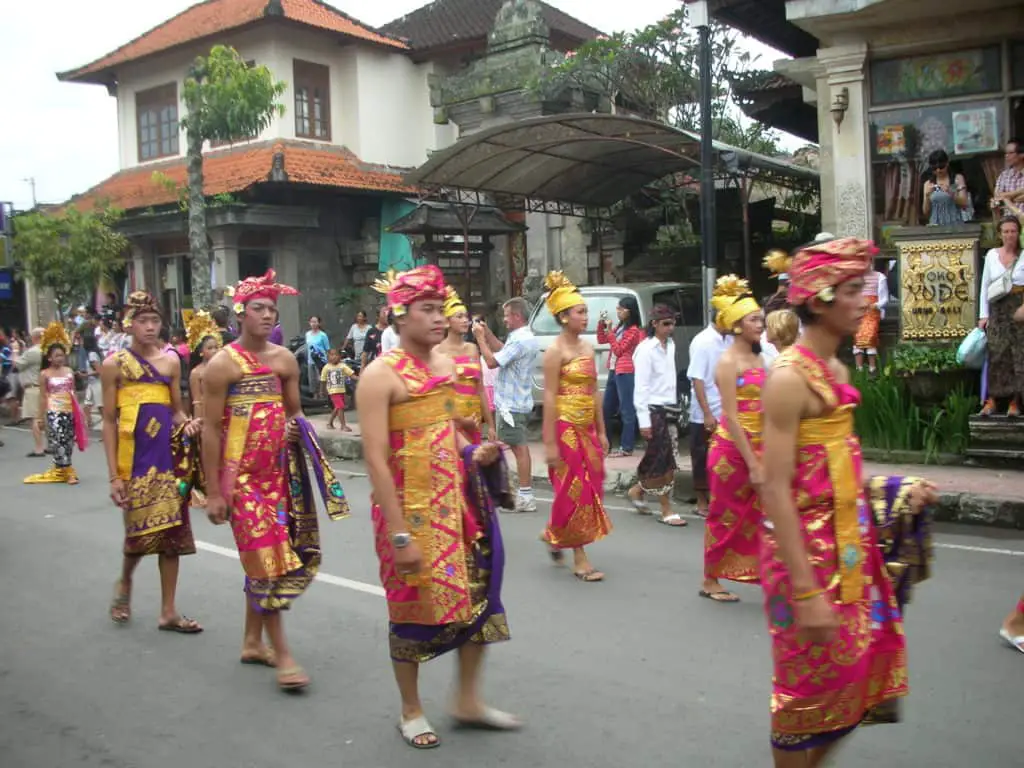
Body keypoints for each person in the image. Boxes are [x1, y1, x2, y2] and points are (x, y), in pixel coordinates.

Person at [758, 237, 937, 765]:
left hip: (851, 553)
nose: (865, 301)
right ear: (819, 298)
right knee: (805, 695)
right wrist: (807, 590)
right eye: (854, 290)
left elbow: (834, 470)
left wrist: (894, 491)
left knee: (851, 682)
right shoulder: (789, 380)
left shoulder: (837, 371)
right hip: (804, 565)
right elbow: (774, 489)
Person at [358, 265, 517, 749]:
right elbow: (376, 460)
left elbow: (447, 433)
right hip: (409, 511)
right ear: (398, 316)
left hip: (459, 505)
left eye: (438, 308)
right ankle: (411, 708)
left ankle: (467, 699)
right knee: (411, 607)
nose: (437, 317)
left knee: (479, 595)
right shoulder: (378, 376)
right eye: (426, 310)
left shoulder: (445, 369)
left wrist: (475, 453)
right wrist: (400, 534)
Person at [203, 270, 349, 692]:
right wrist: (213, 490)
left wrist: (295, 429)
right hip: (241, 481)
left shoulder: (284, 359)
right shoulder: (222, 365)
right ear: (240, 314)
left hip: (279, 476)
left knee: (268, 558)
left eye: (272, 308)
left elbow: (295, 413)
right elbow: (211, 429)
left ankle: (252, 641)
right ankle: (282, 653)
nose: (267, 315)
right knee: (267, 560)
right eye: (258, 308)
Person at [101, 292, 203, 633]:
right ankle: (125, 583)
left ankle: (168, 611)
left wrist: (186, 423)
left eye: (154, 320)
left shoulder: (171, 362)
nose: (148, 327)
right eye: (141, 320)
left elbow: (175, 410)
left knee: (171, 536)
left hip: (168, 459)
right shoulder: (114, 364)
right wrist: (114, 475)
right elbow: (109, 421)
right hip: (135, 462)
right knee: (138, 537)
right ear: (129, 324)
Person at [540, 271, 612, 582]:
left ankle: (554, 531)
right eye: (580, 311)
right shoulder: (556, 351)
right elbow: (549, 395)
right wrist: (550, 443)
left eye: (584, 310)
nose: (586, 316)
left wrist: (603, 429)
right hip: (565, 426)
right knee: (575, 490)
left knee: (595, 482)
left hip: (588, 427)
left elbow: (595, 391)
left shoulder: (586, 348)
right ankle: (580, 556)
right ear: (563, 316)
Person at [701, 277, 765, 602]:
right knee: (725, 515)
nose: (760, 324)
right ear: (737, 325)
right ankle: (711, 578)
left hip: (761, 444)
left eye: (760, 319)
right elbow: (732, 415)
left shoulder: (759, 358)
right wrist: (752, 460)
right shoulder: (728, 362)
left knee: (762, 514)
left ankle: (768, 573)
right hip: (732, 450)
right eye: (754, 320)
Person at [475, 297, 540, 512]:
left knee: (518, 448)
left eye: (506, 315)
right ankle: (513, 491)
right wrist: (487, 334)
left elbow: (493, 361)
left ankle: (524, 495)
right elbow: (503, 351)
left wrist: (480, 340)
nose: (504, 320)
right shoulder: (521, 337)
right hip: (514, 401)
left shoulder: (521, 340)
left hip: (512, 404)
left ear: (517, 316)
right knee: (512, 445)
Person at [627, 304, 684, 526]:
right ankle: (666, 508)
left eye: (673, 323)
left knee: (666, 458)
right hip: (652, 410)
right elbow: (640, 388)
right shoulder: (646, 350)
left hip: (670, 408)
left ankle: (637, 491)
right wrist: (643, 420)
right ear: (655, 324)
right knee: (662, 460)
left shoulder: (669, 345)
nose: (671, 328)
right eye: (666, 324)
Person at [24, 322, 88, 485]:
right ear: (49, 357)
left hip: (69, 409)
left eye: (62, 355)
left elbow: (73, 392)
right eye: (56, 356)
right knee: (58, 439)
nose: (60, 358)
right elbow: (43, 396)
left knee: (68, 440)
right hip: (54, 411)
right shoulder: (44, 374)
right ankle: (68, 471)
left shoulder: (69, 371)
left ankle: (61, 467)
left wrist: (79, 412)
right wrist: (40, 417)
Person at [686, 310, 732, 517]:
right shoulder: (703, 342)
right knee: (702, 456)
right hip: (706, 410)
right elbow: (697, 379)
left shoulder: (730, 339)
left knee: (722, 457)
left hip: (725, 408)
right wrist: (706, 413)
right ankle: (702, 501)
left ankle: (719, 498)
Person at [977, 215, 1024, 416]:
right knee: (996, 354)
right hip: (996, 309)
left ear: (1018, 233)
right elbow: (984, 286)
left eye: (1013, 231)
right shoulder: (991, 256)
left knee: (1018, 356)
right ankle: (992, 399)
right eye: (1005, 231)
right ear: (1000, 234)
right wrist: (983, 315)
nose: (1009, 235)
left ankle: (1015, 401)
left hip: (1018, 310)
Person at [439, 287, 494, 443]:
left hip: (474, 419)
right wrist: (460, 420)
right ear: (447, 322)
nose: (465, 320)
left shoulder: (472, 348)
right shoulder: (438, 351)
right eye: (459, 316)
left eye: (466, 316)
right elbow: (441, 395)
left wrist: (490, 425)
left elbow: (481, 388)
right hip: (451, 419)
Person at [596, 296, 644, 457]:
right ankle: (606, 445)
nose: (618, 312)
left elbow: (618, 350)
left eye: (621, 309)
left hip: (626, 371)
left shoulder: (634, 331)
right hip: (613, 369)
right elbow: (601, 339)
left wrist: (610, 332)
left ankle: (626, 446)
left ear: (629, 311)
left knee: (626, 409)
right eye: (617, 309)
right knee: (606, 409)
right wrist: (602, 325)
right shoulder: (620, 327)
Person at [185, 310, 222, 508]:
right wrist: (199, 421)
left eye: (217, 346)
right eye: (210, 347)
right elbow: (197, 400)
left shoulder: (224, 368)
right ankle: (206, 489)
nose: (215, 350)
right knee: (206, 453)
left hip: (223, 415)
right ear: (201, 351)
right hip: (205, 416)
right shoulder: (196, 373)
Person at [16, 327, 47, 457]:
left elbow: (18, 364)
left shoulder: (33, 351)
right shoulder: (48, 351)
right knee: (44, 418)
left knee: (35, 418)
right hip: (45, 387)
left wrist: (15, 352)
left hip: (34, 387)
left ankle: (39, 448)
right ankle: (49, 445)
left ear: (34, 337)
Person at [853, 267, 889, 374]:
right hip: (858, 311)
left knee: (870, 334)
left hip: (872, 311)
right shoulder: (855, 277)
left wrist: (875, 305)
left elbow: (884, 299)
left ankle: (872, 368)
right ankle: (859, 369)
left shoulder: (879, 277)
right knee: (857, 335)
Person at [923, 149, 971, 225]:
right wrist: (927, 196)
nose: (938, 170)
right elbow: (926, 212)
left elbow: (964, 204)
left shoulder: (957, 179)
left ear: (947, 163)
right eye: (934, 168)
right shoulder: (928, 184)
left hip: (954, 222)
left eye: (941, 166)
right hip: (935, 224)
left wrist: (951, 193)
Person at [320, 348, 355, 431]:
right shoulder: (326, 367)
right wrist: (322, 391)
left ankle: (330, 423)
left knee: (337, 407)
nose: (334, 357)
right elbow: (323, 380)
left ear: (340, 356)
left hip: (341, 390)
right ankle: (343, 425)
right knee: (341, 407)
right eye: (331, 355)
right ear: (328, 357)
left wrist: (360, 378)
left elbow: (351, 375)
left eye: (336, 355)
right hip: (332, 391)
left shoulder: (342, 366)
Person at [82, 332, 104, 430]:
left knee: (100, 406)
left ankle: (108, 428)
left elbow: (99, 371)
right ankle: (87, 423)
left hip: (97, 383)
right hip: (92, 383)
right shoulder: (95, 353)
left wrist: (85, 375)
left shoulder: (92, 354)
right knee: (87, 404)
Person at [361, 307, 390, 371]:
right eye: (384, 313)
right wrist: (362, 370)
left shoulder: (394, 331)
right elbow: (365, 352)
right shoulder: (371, 331)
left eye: (388, 313)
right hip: (376, 367)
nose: (387, 315)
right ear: (378, 316)